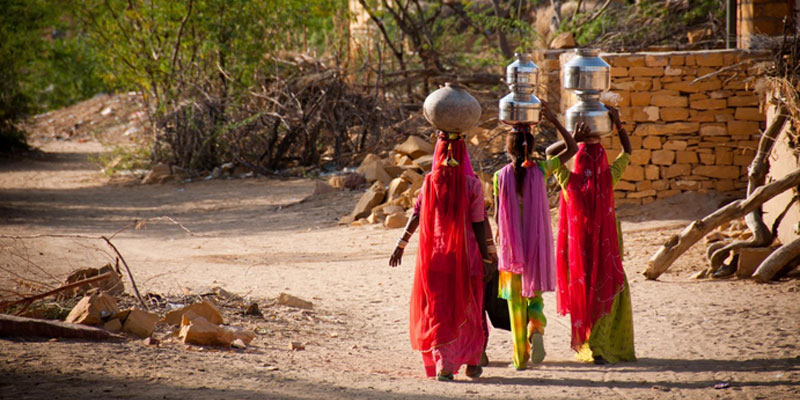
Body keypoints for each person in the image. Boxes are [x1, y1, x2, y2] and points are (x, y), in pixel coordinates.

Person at [389, 131, 496, 381]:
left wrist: (401, 244)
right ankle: (471, 361)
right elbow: (479, 223)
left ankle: (444, 366)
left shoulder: (429, 182)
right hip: (467, 256)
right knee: (469, 307)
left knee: (439, 310)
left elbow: (416, 215)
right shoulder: (473, 185)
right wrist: (488, 256)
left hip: (436, 256)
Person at [492, 102, 579, 370]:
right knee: (535, 298)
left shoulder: (499, 176)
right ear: (532, 146)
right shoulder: (541, 171)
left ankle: (520, 357)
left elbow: (498, 215)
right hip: (536, 246)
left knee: (515, 305)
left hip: (511, 249)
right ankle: (537, 330)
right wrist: (555, 120)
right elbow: (573, 149)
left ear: (509, 149)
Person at [546, 106, 636, 364]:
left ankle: (590, 344)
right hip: (606, 248)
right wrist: (617, 123)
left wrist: (571, 138)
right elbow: (627, 151)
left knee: (585, 293)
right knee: (607, 290)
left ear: (579, 162)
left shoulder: (568, 182)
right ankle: (600, 347)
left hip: (579, 253)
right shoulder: (609, 178)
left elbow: (549, 155)